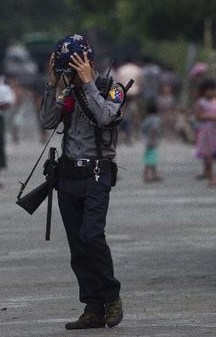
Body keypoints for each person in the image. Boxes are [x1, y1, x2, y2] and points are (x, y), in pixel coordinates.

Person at [40, 34, 123, 330]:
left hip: (97, 175)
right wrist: (51, 85)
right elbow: (47, 121)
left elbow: (105, 118)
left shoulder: (110, 90)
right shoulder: (68, 93)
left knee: (91, 236)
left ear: (86, 62)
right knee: (77, 245)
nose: (69, 75)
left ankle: (111, 297)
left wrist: (88, 83)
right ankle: (92, 306)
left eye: (72, 68)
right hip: (68, 176)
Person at [194, 78, 216, 186]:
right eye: (207, 90)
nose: (210, 92)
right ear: (203, 91)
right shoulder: (201, 102)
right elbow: (198, 116)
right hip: (206, 132)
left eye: (212, 90)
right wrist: (210, 116)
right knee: (208, 156)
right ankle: (211, 177)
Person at [141, 102, 163, 182]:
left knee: (150, 157)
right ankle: (148, 175)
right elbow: (154, 129)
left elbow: (142, 128)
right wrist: (153, 140)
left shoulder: (147, 118)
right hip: (152, 141)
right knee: (151, 158)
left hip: (147, 140)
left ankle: (153, 174)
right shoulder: (156, 119)